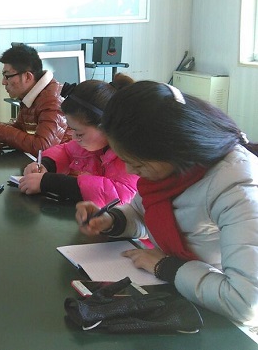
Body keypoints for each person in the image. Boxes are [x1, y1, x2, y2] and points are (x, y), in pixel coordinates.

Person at [76, 81, 258, 325]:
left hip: (224, 318)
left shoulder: (237, 187)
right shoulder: (173, 168)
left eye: (137, 163)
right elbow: (143, 213)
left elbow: (247, 303)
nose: (130, 170)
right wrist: (112, 220)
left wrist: (167, 267)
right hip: (186, 292)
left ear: (173, 147)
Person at [18, 75, 139, 207]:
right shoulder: (97, 143)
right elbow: (66, 151)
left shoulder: (130, 155)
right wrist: (46, 165)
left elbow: (119, 195)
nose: (74, 138)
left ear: (105, 126)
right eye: (73, 130)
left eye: (80, 133)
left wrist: (49, 183)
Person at [0, 44, 71, 154]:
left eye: (7, 76)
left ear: (28, 77)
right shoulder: (31, 95)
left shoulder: (52, 100)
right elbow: (21, 129)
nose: (3, 82)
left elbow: (42, 147)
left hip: (63, 164)